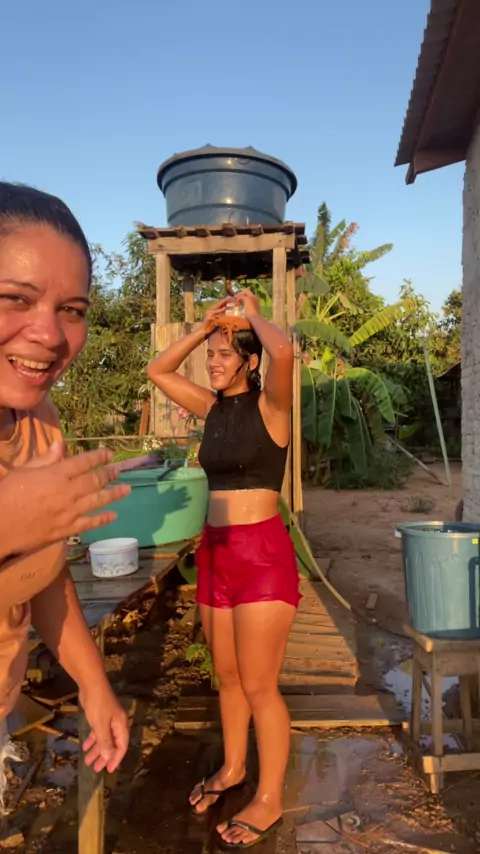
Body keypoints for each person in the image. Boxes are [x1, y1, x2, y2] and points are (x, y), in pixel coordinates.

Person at [148, 291, 299, 849]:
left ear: (249, 361)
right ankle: (234, 769)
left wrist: (251, 314)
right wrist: (205, 327)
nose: (211, 363)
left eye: (223, 354)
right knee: (229, 676)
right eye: (210, 355)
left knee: (259, 684)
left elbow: (284, 353)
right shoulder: (211, 409)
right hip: (215, 551)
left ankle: (270, 797)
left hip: (261, 555)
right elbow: (158, 370)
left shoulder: (272, 409)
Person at [0, 182, 131, 808]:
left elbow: (44, 573)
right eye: (15, 299)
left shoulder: (39, 423)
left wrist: (93, 682)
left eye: (72, 309)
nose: (50, 334)